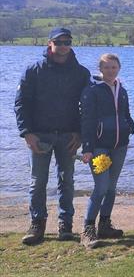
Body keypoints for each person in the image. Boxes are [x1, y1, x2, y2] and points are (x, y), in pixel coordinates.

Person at [16, 28, 90, 245]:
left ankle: (65, 225)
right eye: (59, 42)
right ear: (50, 44)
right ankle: (37, 225)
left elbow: (86, 107)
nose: (64, 46)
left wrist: (80, 133)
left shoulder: (81, 73)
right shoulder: (33, 70)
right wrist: (27, 134)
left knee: (66, 181)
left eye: (68, 41)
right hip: (40, 135)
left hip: (68, 136)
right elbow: (21, 104)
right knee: (38, 182)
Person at [78, 53, 134, 248]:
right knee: (101, 187)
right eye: (107, 67)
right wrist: (87, 148)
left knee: (112, 187)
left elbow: (125, 112)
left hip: (120, 146)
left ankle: (105, 225)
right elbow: (86, 120)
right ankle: (87, 229)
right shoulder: (92, 90)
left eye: (114, 67)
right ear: (100, 69)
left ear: (119, 67)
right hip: (100, 147)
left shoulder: (122, 89)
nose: (110, 70)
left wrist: (130, 124)